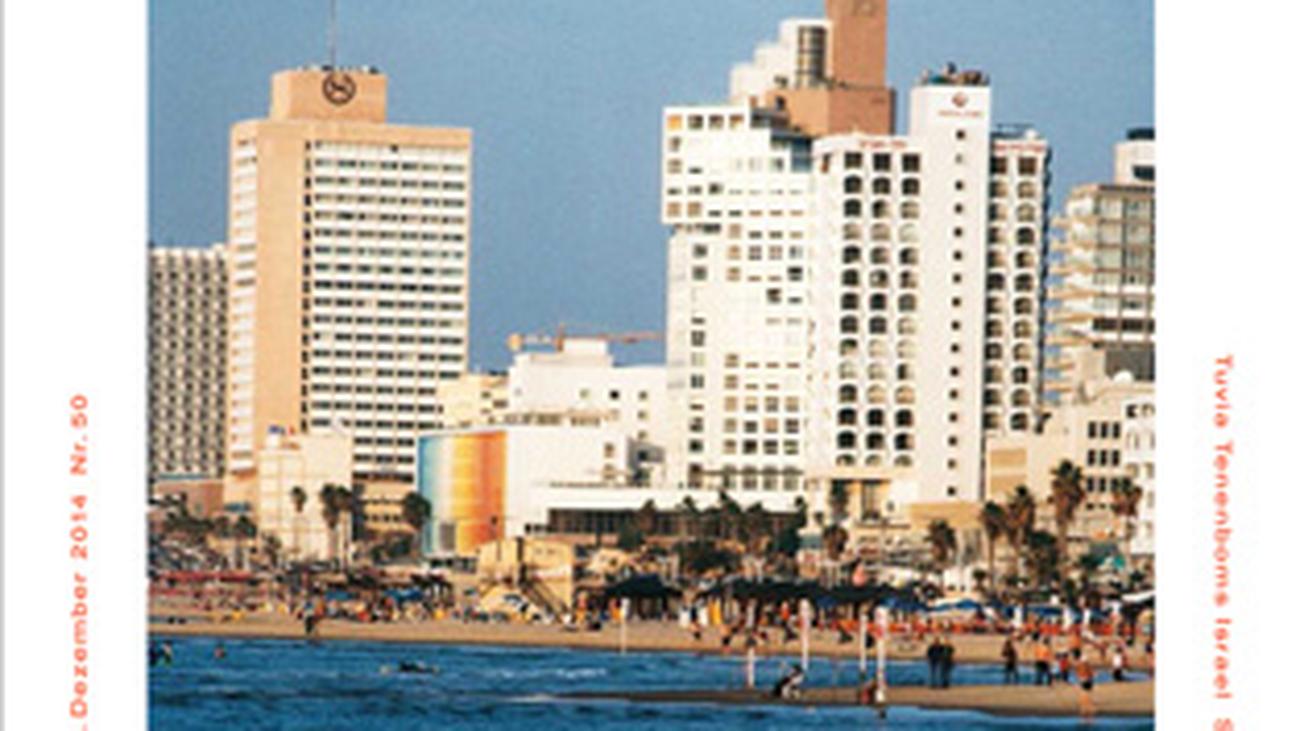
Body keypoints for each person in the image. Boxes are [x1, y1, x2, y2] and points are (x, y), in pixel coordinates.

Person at [1076, 656, 1097, 721]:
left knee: (1084, 693)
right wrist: (1093, 675)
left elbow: (1078, 674)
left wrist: (1080, 677)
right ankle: (1088, 707)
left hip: (1083, 680)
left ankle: (1084, 707)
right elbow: (1092, 674)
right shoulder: (1088, 666)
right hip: (1088, 680)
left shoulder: (1080, 666)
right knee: (1088, 693)